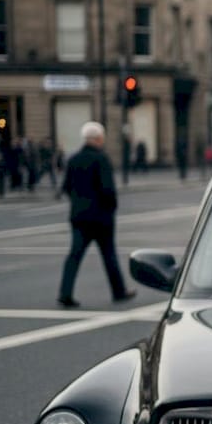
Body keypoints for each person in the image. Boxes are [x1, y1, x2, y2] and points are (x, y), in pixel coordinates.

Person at [57, 122, 136, 308]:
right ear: (99, 139)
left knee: (74, 255)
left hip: (79, 216)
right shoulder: (101, 159)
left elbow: (66, 187)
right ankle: (119, 291)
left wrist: (78, 202)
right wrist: (111, 209)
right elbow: (108, 190)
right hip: (100, 217)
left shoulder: (73, 159)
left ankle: (65, 292)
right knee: (109, 254)